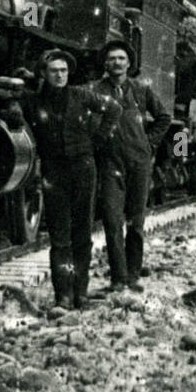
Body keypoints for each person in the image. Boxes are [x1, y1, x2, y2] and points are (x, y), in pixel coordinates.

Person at [21, 49, 121, 311]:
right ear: (44, 73)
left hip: (83, 169)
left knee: (83, 234)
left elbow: (113, 109)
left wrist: (97, 140)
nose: (60, 75)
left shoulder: (80, 95)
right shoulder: (34, 101)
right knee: (59, 236)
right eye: (54, 71)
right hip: (54, 172)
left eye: (63, 70)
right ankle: (63, 295)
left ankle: (81, 292)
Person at [93, 38, 171, 293]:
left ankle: (134, 274)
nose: (116, 63)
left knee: (136, 222)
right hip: (109, 162)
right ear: (105, 63)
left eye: (121, 59)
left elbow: (164, 117)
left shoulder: (141, 90)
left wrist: (150, 144)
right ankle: (118, 277)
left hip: (139, 162)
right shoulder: (95, 90)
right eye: (112, 58)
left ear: (128, 64)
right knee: (112, 220)